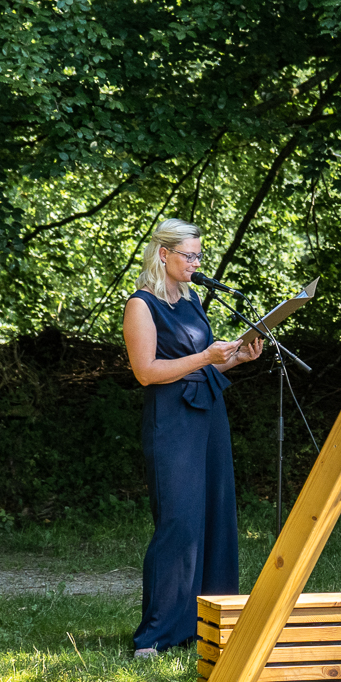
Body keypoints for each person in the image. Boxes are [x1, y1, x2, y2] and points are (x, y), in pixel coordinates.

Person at [122, 219, 261, 657]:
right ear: (163, 254)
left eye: (200, 255)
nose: (196, 263)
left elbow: (203, 366)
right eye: (189, 255)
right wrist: (205, 354)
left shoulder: (193, 299)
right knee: (179, 521)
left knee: (214, 515)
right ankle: (157, 634)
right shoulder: (141, 305)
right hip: (172, 420)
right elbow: (146, 372)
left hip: (208, 414)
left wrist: (237, 356)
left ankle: (208, 624)